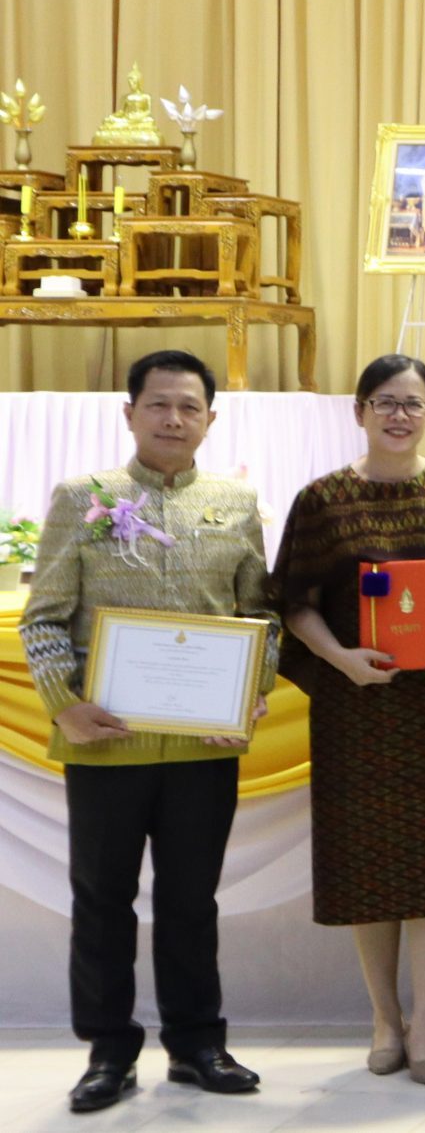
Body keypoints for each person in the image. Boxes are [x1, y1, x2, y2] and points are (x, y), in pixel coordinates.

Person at [22, 350, 273, 1113]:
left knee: (192, 899)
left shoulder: (236, 502)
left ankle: (197, 1044)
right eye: (159, 404)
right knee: (102, 899)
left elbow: (260, 615)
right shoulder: (83, 498)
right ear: (129, 413)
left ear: (210, 419)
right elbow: (43, 619)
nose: (173, 419)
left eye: (189, 406)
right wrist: (64, 703)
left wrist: (251, 693)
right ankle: (108, 1051)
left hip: (204, 744)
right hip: (105, 740)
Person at [272, 355, 425, 1084]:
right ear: (359, 411)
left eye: (413, 403)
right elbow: (292, 601)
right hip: (355, 706)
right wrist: (339, 658)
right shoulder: (322, 499)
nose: (399, 415)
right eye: (385, 402)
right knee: (369, 867)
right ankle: (383, 1017)